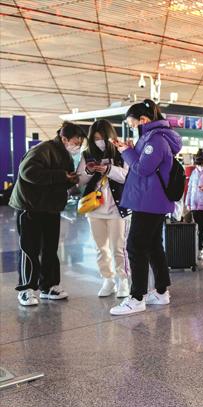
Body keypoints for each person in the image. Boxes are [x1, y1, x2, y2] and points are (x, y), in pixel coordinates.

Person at [109, 99, 182, 316]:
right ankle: (161, 292)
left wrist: (125, 151)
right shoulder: (151, 137)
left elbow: (142, 168)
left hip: (149, 201)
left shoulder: (156, 140)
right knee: (152, 246)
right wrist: (130, 149)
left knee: (135, 246)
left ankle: (137, 297)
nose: (132, 128)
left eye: (133, 124)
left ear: (144, 120)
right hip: (151, 199)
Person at [10, 122, 84, 306]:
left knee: (50, 248)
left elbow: (60, 179)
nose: (77, 146)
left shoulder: (64, 154)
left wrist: (70, 180)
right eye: (76, 142)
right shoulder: (42, 150)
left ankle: (48, 286)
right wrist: (62, 176)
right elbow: (28, 172)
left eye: (80, 143)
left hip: (50, 207)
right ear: (64, 138)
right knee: (30, 249)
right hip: (30, 207)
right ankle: (26, 289)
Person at [77, 119, 130, 298]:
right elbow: (80, 180)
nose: (99, 141)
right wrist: (90, 171)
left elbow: (127, 176)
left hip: (117, 208)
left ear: (110, 137)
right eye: (96, 138)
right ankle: (108, 279)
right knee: (101, 247)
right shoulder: (87, 154)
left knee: (118, 248)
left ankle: (123, 280)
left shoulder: (121, 152)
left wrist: (108, 169)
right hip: (94, 208)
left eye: (103, 137)